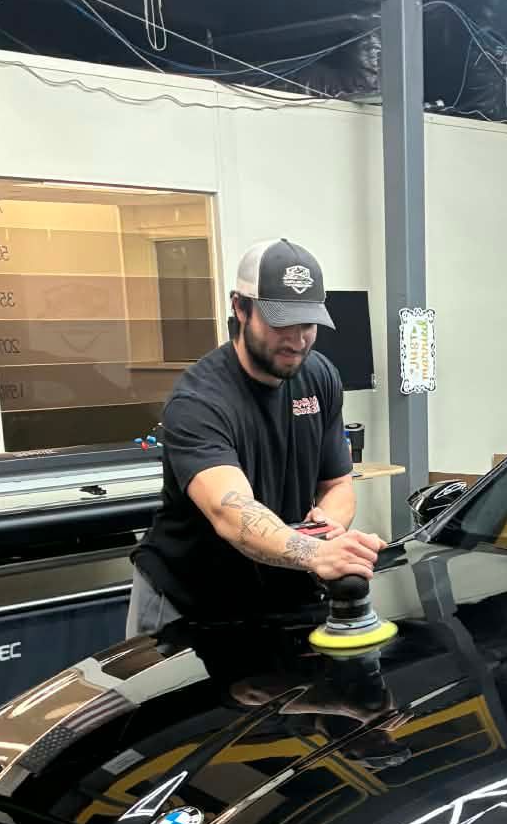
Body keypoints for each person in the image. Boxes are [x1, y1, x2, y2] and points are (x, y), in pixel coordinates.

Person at [127, 237, 381, 633]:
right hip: (189, 600)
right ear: (240, 308)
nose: (297, 340)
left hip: (274, 590)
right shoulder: (199, 401)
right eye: (282, 323)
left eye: (308, 325)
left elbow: (338, 483)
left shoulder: (320, 376)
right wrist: (314, 552)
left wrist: (329, 525)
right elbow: (230, 511)